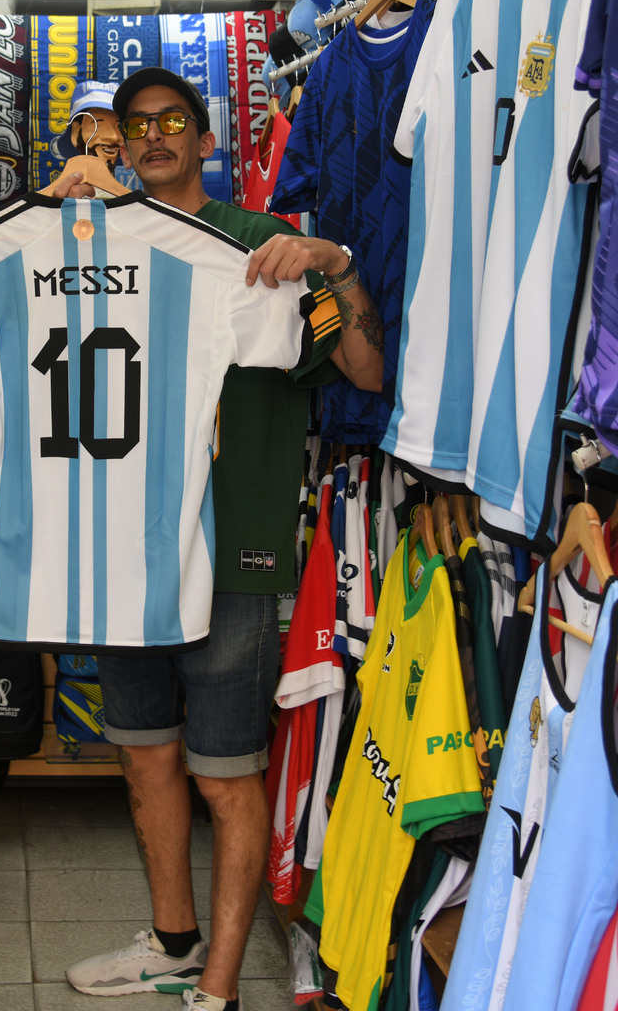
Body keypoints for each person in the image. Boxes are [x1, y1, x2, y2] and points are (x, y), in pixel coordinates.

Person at [65, 68, 387, 1011]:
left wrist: (335, 262)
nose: (155, 136)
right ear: (119, 143)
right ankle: (173, 942)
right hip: (124, 548)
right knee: (145, 754)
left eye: (174, 121)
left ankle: (218, 986)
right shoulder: (96, 243)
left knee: (227, 775)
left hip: (235, 547)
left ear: (207, 140)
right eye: (137, 125)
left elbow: (366, 370)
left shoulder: (262, 245)